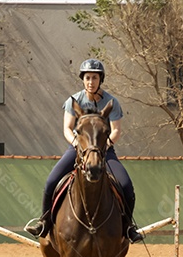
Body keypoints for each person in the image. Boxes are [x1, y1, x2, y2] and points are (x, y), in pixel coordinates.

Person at [25, 59, 143, 243]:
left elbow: (116, 130)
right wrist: (76, 145)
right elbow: (67, 128)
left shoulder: (112, 102)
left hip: (105, 150)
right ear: (83, 79)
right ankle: (44, 222)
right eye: (87, 77)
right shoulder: (74, 101)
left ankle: (128, 227)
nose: (91, 81)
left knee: (126, 185)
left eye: (94, 77)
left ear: (100, 79)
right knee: (51, 182)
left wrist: (104, 147)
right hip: (78, 149)